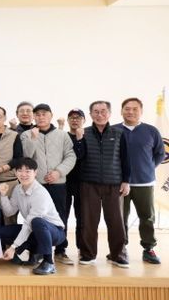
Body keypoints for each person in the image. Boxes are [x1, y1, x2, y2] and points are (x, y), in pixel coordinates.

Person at [20, 103, 76, 265]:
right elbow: (25, 157)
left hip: (58, 183)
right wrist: (33, 139)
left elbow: (70, 156)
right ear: (34, 117)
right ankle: (37, 251)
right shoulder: (26, 135)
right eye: (37, 114)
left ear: (51, 116)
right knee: (35, 217)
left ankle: (60, 250)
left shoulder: (62, 135)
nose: (41, 117)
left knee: (60, 216)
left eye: (44, 114)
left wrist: (58, 172)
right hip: (36, 185)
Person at [76, 101, 130, 268]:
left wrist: (126, 181)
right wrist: (79, 140)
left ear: (110, 113)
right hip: (88, 183)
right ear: (90, 114)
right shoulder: (84, 133)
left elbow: (126, 159)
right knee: (88, 221)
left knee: (116, 221)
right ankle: (87, 254)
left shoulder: (119, 133)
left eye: (103, 111)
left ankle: (118, 255)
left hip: (114, 184)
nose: (100, 115)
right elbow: (78, 157)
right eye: (96, 111)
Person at [114, 97, 164, 264]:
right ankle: (120, 248)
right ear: (121, 111)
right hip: (119, 183)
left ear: (141, 111)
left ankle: (148, 248)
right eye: (127, 109)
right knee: (120, 218)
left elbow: (160, 153)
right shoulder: (113, 130)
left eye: (135, 109)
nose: (131, 112)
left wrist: (148, 167)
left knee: (147, 217)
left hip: (144, 182)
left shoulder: (151, 131)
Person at [0, 157, 66, 275]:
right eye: (20, 171)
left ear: (35, 173)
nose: (23, 174)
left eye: (27, 171)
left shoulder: (40, 193)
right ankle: (35, 252)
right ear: (16, 173)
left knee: (37, 221)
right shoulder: (18, 189)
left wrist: (13, 247)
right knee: (1, 232)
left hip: (55, 232)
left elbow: (29, 223)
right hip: (34, 230)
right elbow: (9, 212)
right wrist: (3, 196)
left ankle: (49, 262)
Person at [65, 109, 86, 253]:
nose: (75, 120)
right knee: (62, 216)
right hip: (65, 182)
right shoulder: (63, 136)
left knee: (82, 217)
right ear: (68, 120)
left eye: (78, 117)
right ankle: (61, 248)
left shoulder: (88, 136)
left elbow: (81, 155)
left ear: (84, 120)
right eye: (72, 118)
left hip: (83, 183)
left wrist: (79, 139)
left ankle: (81, 247)